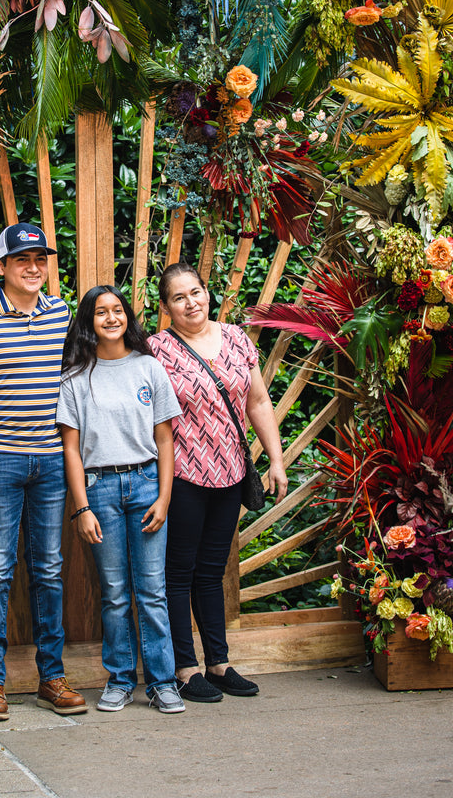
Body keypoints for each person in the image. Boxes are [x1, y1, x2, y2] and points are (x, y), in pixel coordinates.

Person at [0, 222, 87, 721]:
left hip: (50, 459)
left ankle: (52, 678)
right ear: (0, 266)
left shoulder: (60, 314)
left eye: (41, 259)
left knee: (49, 571)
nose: (34, 267)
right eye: (23, 259)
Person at [148, 262, 288, 703]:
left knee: (211, 571)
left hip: (231, 472)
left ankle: (219, 663)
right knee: (178, 573)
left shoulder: (237, 339)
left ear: (208, 292)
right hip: (183, 474)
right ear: (166, 307)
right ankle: (185, 669)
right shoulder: (156, 350)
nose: (191, 303)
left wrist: (276, 460)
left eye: (196, 292)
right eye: (179, 297)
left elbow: (258, 401)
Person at [56, 285, 185, 714]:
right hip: (101, 491)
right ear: (88, 322)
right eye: (100, 312)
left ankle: (163, 682)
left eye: (117, 310)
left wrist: (164, 498)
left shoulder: (148, 368)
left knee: (152, 591)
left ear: (127, 316)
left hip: (146, 485)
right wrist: (82, 507)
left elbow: (165, 441)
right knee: (113, 592)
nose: (111, 318)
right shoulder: (75, 377)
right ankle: (120, 679)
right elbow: (70, 449)